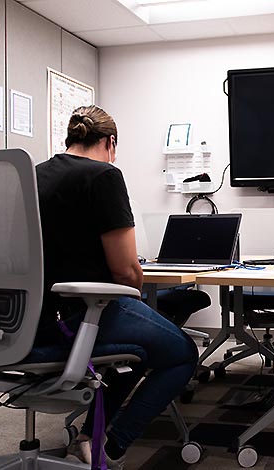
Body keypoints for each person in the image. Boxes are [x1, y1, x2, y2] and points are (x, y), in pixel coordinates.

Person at [34, 105, 198, 468]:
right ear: (110, 142)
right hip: (81, 314)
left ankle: (87, 436)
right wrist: (137, 292)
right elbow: (126, 272)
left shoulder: (34, 175)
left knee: (140, 348)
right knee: (183, 352)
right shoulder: (104, 175)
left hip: (32, 319)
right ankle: (110, 449)